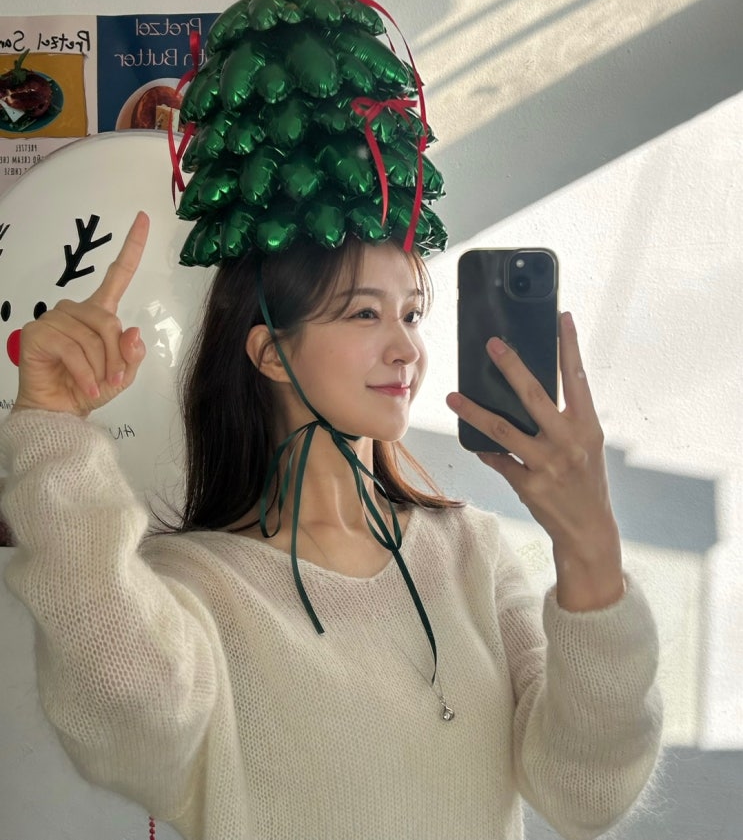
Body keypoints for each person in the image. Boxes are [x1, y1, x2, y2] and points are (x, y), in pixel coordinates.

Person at [0, 209, 662, 840]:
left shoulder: (473, 553)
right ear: (269, 352)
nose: (406, 348)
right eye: (365, 313)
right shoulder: (194, 587)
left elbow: (585, 796)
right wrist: (52, 431)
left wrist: (589, 547)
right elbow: (124, 705)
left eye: (411, 314)